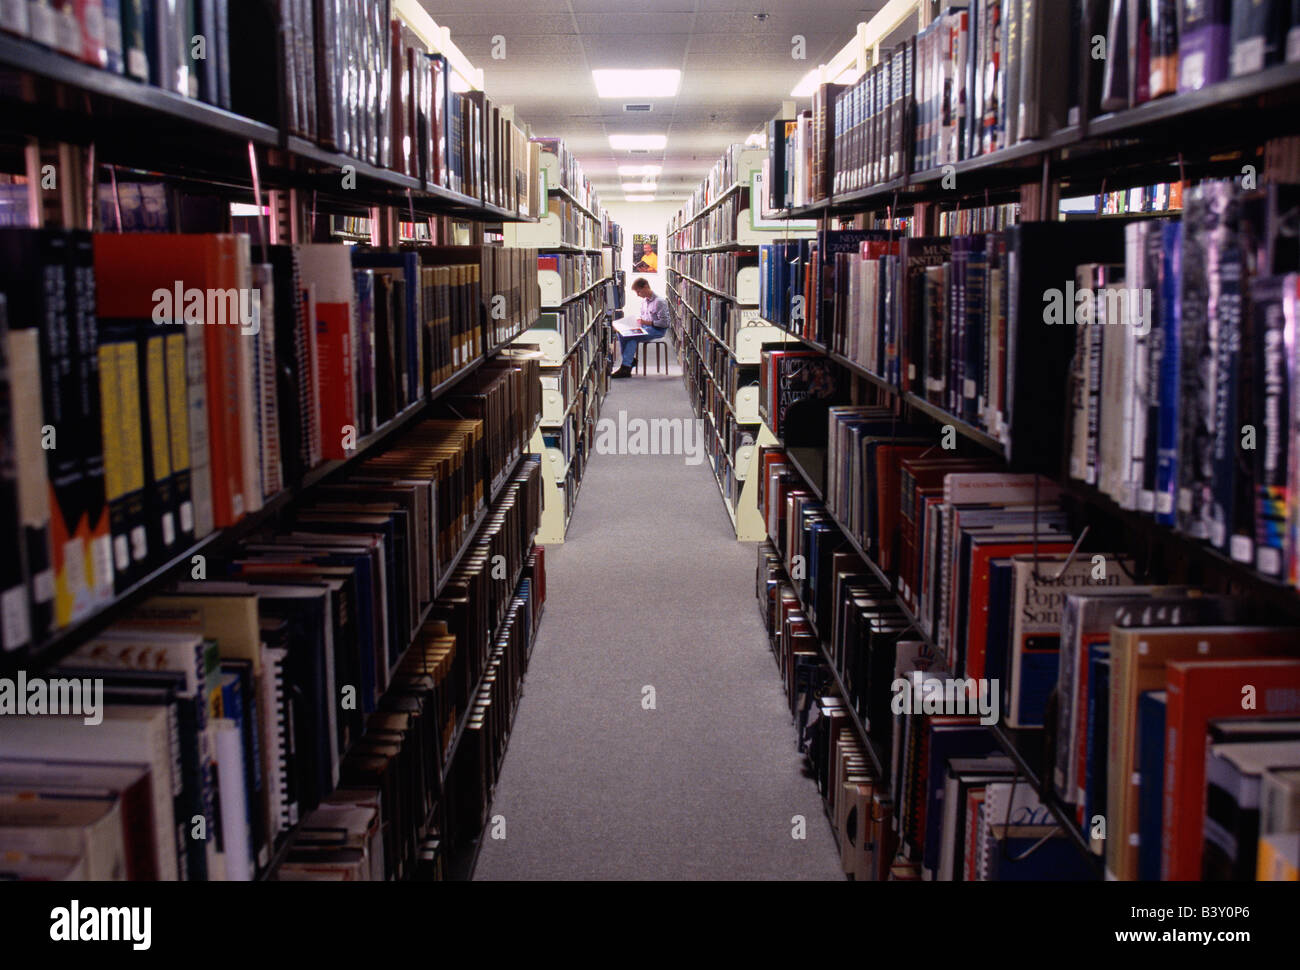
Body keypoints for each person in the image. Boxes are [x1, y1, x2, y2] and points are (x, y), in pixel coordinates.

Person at [612, 277, 670, 378]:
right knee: (621, 333)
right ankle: (629, 361)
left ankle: (626, 366)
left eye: (639, 292)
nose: (638, 295)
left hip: (657, 330)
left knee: (632, 338)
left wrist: (647, 322)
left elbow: (665, 323)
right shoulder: (644, 301)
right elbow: (643, 318)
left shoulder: (660, 302)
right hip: (645, 327)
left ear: (646, 287)